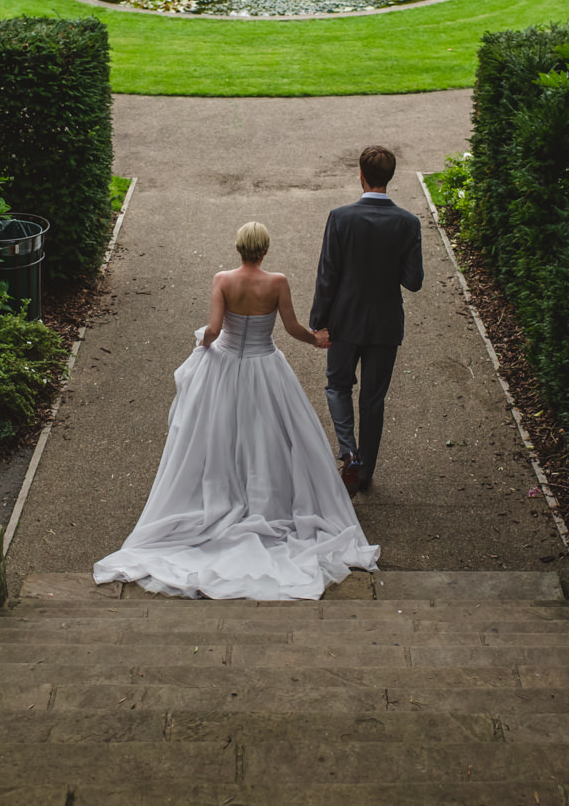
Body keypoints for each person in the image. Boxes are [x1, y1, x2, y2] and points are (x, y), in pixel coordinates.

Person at [93, 222, 380, 599]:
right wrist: (316, 339)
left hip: (225, 365)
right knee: (270, 436)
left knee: (219, 434)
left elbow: (213, 329)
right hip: (265, 366)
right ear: (264, 249)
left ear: (239, 247)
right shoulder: (277, 282)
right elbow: (291, 326)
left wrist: (201, 344)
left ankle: (223, 494)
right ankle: (267, 498)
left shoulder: (223, 280)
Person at [309, 146, 425, 497]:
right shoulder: (408, 223)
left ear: (360, 175)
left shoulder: (341, 218)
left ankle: (349, 453)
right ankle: (366, 472)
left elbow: (327, 275)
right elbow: (414, 281)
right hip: (385, 325)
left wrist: (319, 322)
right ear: (390, 177)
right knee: (373, 399)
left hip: (344, 322)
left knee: (337, 386)